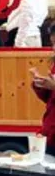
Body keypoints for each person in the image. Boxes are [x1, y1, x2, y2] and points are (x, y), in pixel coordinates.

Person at [30, 21, 55, 153]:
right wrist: (40, 85)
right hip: (50, 134)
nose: (54, 48)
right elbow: (50, 100)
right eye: (53, 44)